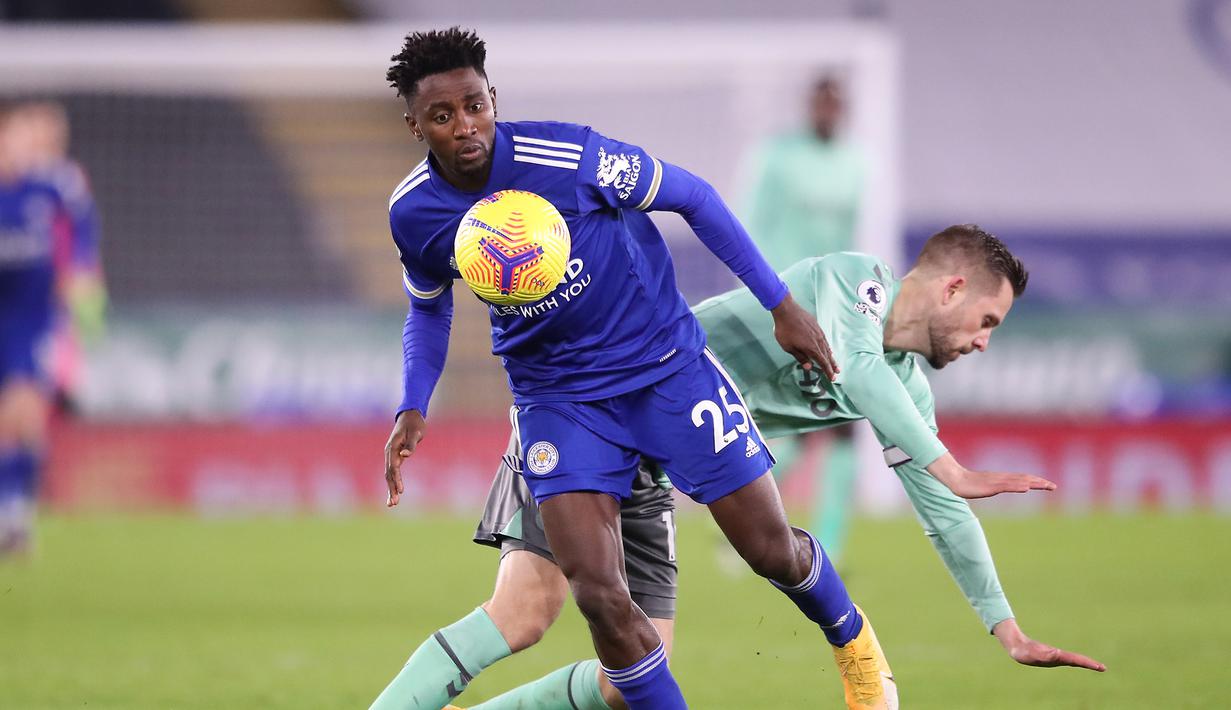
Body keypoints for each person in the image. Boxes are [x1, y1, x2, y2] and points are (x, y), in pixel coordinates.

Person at [374, 28, 1052, 710]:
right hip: (560, 400)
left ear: (494, 99)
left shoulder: (569, 155)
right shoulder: (414, 213)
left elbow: (693, 196)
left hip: (663, 369)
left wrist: (781, 305)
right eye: (442, 116)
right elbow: (428, 309)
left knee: (767, 552)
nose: (466, 127)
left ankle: (854, 645)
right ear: (414, 125)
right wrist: (413, 402)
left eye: (475, 106)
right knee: (595, 599)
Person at [375, 225, 1105, 710]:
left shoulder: (908, 389)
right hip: (594, 410)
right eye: (987, 322)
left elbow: (942, 513)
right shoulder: (853, 284)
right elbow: (855, 368)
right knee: (525, 612)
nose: (983, 343)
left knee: (629, 685)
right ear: (951, 290)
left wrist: (1003, 628)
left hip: (655, 472)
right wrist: (950, 465)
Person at [741, 75, 866, 565]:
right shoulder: (777, 157)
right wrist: (758, 298)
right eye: (821, 101)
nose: (828, 111)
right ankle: (753, 529)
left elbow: (848, 233)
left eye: (836, 103)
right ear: (809, 105)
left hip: (831, 304)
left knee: (842, 422)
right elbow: (749, 226)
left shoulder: (858, 162)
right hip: (780, 304)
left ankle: (827, 544)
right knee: (788, 424)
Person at [0, 102, 82, 557]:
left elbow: (81, 235)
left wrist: (82, 282)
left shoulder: (53, 187)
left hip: (32, 319)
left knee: (24, 414)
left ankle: (15, 514)